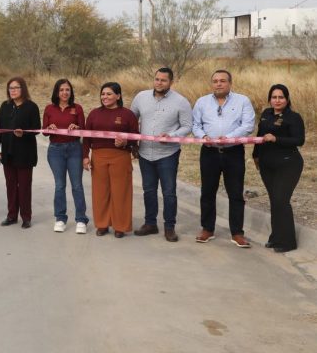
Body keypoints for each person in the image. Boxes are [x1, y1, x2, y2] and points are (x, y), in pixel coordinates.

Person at [192, 69, 256, 248]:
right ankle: (207, 229)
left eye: (222, 81)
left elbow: (248, 125)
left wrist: (229, 137)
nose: (218, 84)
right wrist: (203, 136)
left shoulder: (242, 101)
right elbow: (196, 124)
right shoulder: (202, 102)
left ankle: (237, 233)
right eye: (215, 81)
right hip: (209, 152)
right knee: (207, 192)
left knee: (235, 193)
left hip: (233, 152)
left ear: (230, 83)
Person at [130, 67, 193, 242]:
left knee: (169, 192)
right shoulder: (140, 98)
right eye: (157, 79)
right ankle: (150, 224)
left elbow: (188, 126)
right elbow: (131, 120)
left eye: (163, 80)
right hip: (145, 153)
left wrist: (172, 136)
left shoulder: (181, 102)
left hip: (168, 154)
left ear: (171, 82)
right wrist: (133, 143)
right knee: (148, 190)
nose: (159, 83)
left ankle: (169, 227)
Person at [83, 82, 139, 238]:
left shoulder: (128, 115)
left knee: (120, 192)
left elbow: (135, 138)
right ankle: (102, 224)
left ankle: (120, 226)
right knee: (100, 192)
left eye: (109, 94)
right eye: (103, 94)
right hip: (99, 156)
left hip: (120, 157)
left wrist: (125, 142)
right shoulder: (94, 114)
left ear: (118, 96)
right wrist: (85, 156)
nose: (105, 97)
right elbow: (87, 137)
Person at [253, 84, 304, 253]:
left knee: (282, 200)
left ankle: (288, 242)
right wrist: (256, 156)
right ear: (269, 99)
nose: (277, 100)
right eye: (274, 97)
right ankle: (276, 238)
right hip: (267, 165)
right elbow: (259, 135)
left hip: (288, 164)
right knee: (274, 201)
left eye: (281, 97)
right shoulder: (266, 114)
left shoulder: (293, 117)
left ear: (287, 99)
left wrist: (276, 138)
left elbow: (299, 140)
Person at [42, 78, 89, 234]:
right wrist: (50, 127)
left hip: (75, 149)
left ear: (71, 92)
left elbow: (84, 130)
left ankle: (81, 219)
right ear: (56, 92)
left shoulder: (77, 108)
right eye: (61, 90)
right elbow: (44, 131)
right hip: (55, 150)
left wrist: (76, 127)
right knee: (60, 185)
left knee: (77, 185)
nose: (64, 92)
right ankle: (60, 218)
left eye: (67, 90)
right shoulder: (49, 109)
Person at [0, 77, 40, 229]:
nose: (12, 91)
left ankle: (26, 217)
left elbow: (36, 129)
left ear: (23, 89)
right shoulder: (5, 106)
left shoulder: (31, 107)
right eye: (10, 88)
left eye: (16, 88)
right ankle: (11, 215)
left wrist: (24, 134)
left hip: (25, 154)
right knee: (11, 186)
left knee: (25, 186)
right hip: (8, 153)